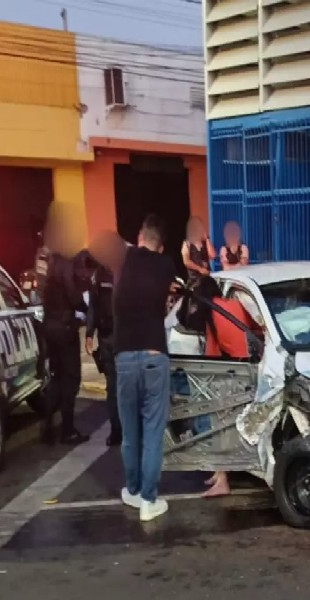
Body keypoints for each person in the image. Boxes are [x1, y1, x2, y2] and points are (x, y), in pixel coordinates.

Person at [94, 215, 178, 522]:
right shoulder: (166, 264)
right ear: (161, 245)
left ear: (139, 237)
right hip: (155, 354)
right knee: (153, 432)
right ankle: (149, 500)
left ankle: (132, 490)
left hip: (125, 357)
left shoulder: (123, 258)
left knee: (130, 433)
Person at [194, 275, 262, 497]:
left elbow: (211, 354)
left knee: (220, 424)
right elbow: (254, 328)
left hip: (234, 371)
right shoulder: (233, 304)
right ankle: (219, 472)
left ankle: (222, 480)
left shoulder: (211, 314)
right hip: (254, 366)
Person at [41, 251, 89, 445]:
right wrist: (84, 307)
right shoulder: (66, 262)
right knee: (71, 378)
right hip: (65, 327)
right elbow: (73, 293)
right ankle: (67, 430)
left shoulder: (49, 262)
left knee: (56, 377)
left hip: (50, 326)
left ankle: (47, 424)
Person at [85, 261, 120, 447]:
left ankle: (121, 431)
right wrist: (89, 334)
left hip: (119, 337)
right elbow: (93, 306)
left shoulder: (121, 272)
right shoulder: (99, 276)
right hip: (111, 338)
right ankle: (117, 430)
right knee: (114, 387)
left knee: (119, 387)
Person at [181, 216, 215, 283]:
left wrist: (207, 238)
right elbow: (186, 262)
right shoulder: (187, 243)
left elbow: (212, 255)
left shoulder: (205, 242)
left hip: (207, 277)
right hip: (194, 279)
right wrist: (199, 269)